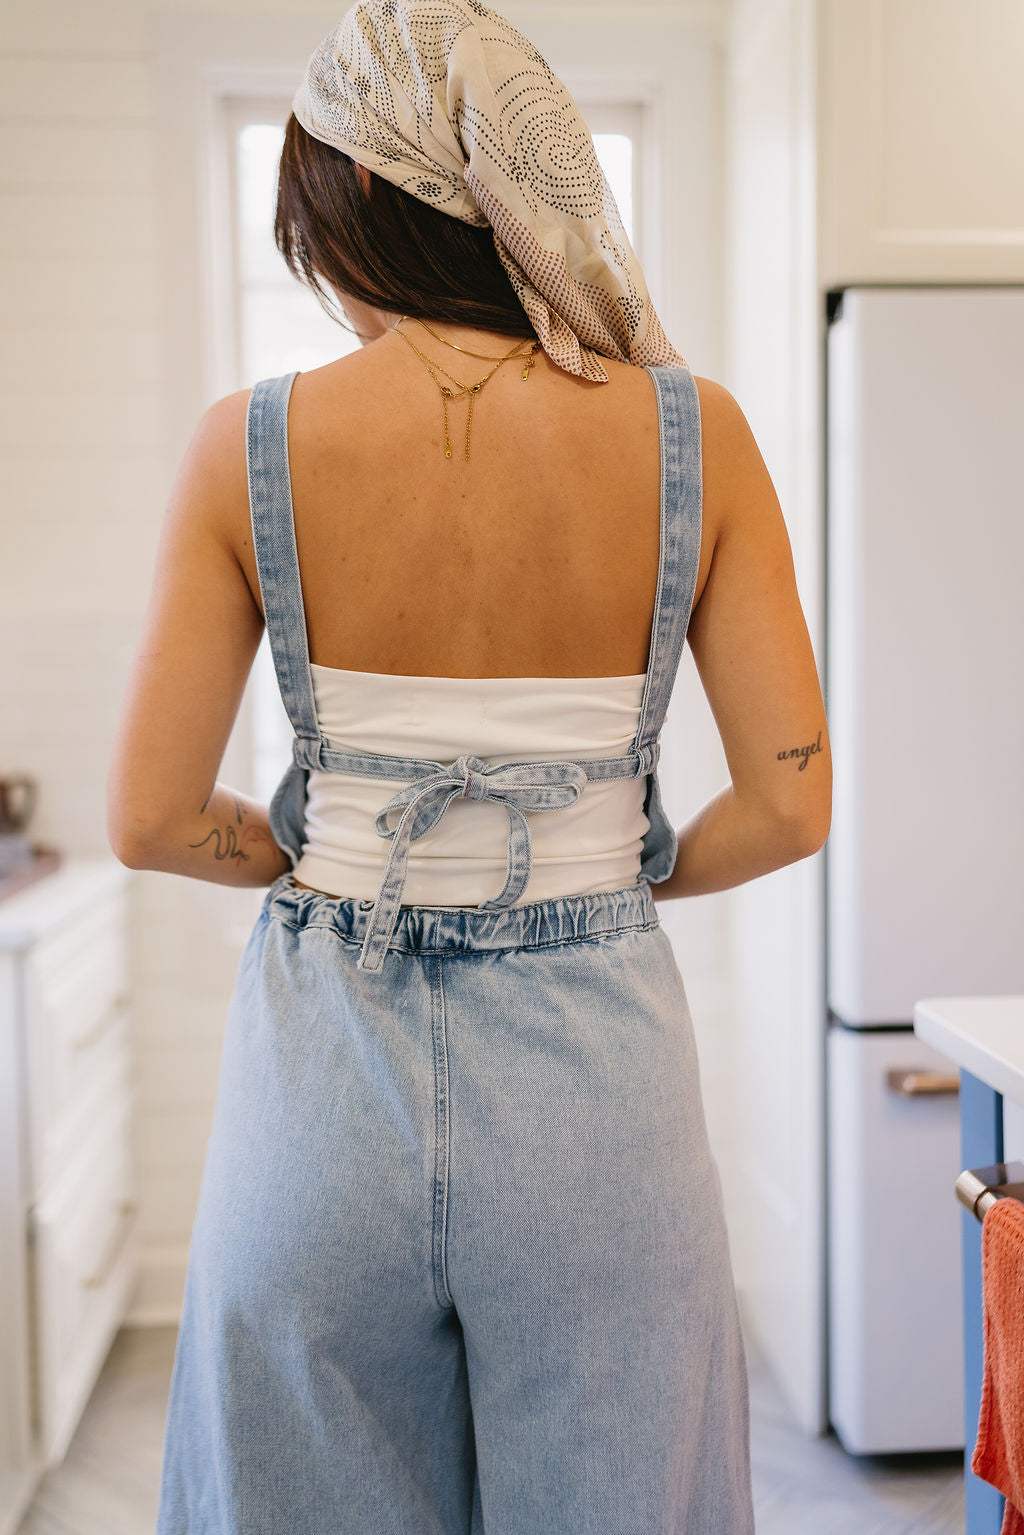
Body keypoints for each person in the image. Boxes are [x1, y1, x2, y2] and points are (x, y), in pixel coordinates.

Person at [107, 1, 831, 1530]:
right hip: (599, 1093)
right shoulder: (698, 435)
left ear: (372, 192)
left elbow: (153, 817)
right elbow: (789, 800)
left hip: (324, 1077)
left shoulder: (249, 444)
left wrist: (313, 856)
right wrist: (622, 866)